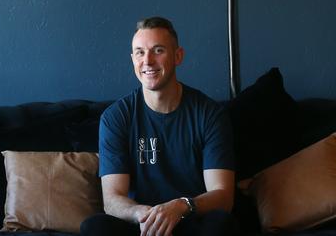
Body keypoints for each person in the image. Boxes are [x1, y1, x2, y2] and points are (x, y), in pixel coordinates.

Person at [81, 16, 237, 236]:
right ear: (132, 59)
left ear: (178, 56)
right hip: (141, 224)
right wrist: (144, 215)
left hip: (190, 219)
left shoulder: (209, 114)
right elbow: (112, 199)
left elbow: (222, 195)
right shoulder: (116, 117)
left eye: (158, 50)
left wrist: (180, 207)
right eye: (139, 52)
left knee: (221, 222)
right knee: (94, 227)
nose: (147, 61)